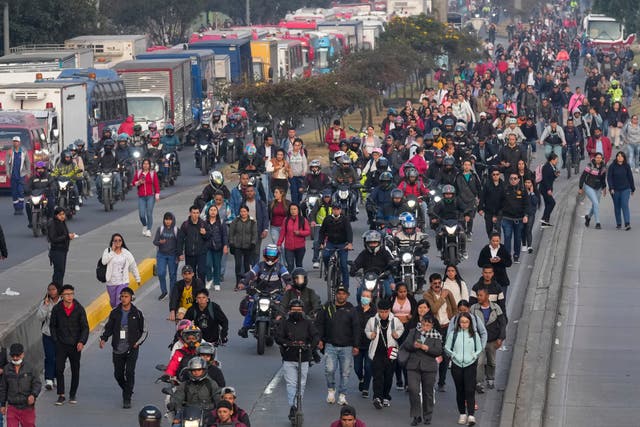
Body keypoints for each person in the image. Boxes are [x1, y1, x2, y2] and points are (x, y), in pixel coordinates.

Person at [99, 287, 147, 408]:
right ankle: (127, 389)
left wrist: (137, 343)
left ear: (131, 298)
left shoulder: (137, 313)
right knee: (118, 374)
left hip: (132, 348)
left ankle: (127, 399)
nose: (124, 298)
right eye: (122, 296)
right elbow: (108, 328)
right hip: (117, 348)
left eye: (126, 296)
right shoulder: (115, 313)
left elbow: (144, 331)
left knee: (130, 372)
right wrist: (103, 339)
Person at [275, 298, 320, 421]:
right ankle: (293, 406)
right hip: (289, 357)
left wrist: (310, 345)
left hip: (304, 357)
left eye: (299, 310)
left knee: (301, 383)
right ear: (289, 310)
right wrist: (288, 343)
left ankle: (297, 404)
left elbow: (315, 335)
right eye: (294, 310)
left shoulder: (308, 323)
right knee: (291, 384)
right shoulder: (284, 323)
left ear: (303, 310)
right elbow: (278, 337)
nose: (296, 312)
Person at [316, 286, 360, 406]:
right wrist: (319, 339)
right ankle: (331, 390)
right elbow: (319, 323)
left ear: (347, 295)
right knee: (329, 370)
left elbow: (356, 327)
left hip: (347, 346)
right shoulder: (327, 307)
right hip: (330, 345)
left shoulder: (351, 309)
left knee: (345, 372)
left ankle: (342, 395)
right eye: (339, 293)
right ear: (336, 294)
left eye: (343, 293)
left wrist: (356, 345)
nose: (341, 296)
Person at [237, 245, 292, 337]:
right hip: (259, 292)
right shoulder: (259, 265)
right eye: (268, 255)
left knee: (284, 306)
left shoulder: (280, 267)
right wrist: (243, 282)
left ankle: (284, 328)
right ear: (265, 255)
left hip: (275, 293)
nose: (270, 258)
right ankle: (245, 328)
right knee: (251, 304)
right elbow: (251, 274)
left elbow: (287, 277)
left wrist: (289, 285)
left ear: (277, 256)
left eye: (272, 256)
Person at [49, 284, 89, 406]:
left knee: (75, 369)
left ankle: (72, 394)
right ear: (62, 296)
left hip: (75, 344)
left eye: (71, 294)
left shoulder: (79, 308)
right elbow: (52, 326)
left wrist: (81, 341)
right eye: (67, 294)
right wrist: (56, 340)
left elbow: (85, 328)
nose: (70, 296)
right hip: (61, 344)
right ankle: (61, 395)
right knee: (59, 369)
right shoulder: (57, 309)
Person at [402, 313, 442, 426]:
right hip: (413, 365)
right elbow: (406, 345)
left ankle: (428, 415)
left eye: (428, 325)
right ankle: (416, 416)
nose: (425, 327)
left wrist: (427, 348)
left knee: (427, 392)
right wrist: (414, 345)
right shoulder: (414, 331)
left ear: (432, 325)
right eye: (423, 324)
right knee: (413, 390)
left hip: (429, 367)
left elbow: (438, 351)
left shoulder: (436, 335)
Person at [365, 298, 404, 409]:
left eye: (385, 312)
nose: (383, 314)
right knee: (377, 376)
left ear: (389, 310)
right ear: (378, 310)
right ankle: (377, 397)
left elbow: (401, 329)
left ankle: (386, 396)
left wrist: (397, 334)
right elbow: (367, 330)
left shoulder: (395, 321)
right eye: (381, 312)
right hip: (377, 352)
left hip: (391, 352)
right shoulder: (373, 320)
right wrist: (370, 335)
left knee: (388, 376)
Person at [444, 312, 483, 426]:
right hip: (456, 365)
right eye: (462, 322)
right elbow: (447, 347)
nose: (464, 324)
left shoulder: (474, 335)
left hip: (470, 365)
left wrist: (474, 356)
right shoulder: (453, 334)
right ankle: (462, 414)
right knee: (460, 390)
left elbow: (479, 349)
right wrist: (453, 355)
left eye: (466, 322)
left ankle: (471, 415)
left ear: (470, 323)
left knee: (470, 390)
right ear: (458, 323)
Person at [423, 273, 458, 392]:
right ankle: (429, 381)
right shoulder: (427, 295)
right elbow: (433, 309)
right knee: (431, 355)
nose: (437, 285)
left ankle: (441, 382)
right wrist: (442, 298)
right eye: (435, 284)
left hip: (447, 327)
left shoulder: (447, 292)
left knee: (445, 355)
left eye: (439, 283)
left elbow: (454, 308)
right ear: (431, 284)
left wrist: (452, 320)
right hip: (435, 328)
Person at [470, 288, 507, 394]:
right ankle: (479, 382)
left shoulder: (495, 308)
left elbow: (502, 324)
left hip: (492, 340)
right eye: (478, 295)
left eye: (480, 295)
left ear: (487, 296)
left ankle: (490, 379)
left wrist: (500, 338)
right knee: (479, 362)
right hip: (479, 341)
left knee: (492, 361)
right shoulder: (473, 308)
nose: (478, 297)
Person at [0, 343, 41, 427]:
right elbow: (3, 388)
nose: (15, 358)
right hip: (12, 407)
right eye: (13, 356)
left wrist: (33, 395)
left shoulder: (30, 368)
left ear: (22, 354)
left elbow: (37, 383)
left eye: (17, 356)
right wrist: (3, 405)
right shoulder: (7, 369)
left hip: (27, 407)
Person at [171, 357, 220, 426]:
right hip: (188, 414)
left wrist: (219, 408)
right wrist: (173, 404)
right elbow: (178, 397)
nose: (196, 372)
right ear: (190, 371)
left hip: (208, 415)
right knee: (175, 425)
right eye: (194, 370)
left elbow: (218, 398)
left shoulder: (211, 384)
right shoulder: (185, 384)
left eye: (199, 370)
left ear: (204, 370)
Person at [350, 230, 395, 300]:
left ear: (379, 243)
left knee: (389, 293)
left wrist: (391, 266)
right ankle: (360, 309)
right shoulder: (364, 253)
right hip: (367, 278)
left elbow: (391, 261)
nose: (373, 245)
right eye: (370, 243)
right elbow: (357, 263)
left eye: (375, 243)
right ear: (366, 243)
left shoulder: (384, 252)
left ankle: (388, 308)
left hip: (383, 277)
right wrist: (353, 268)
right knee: (359, 294)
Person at [101, 233, 141, 309]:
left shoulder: (126, 253)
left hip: (123, 282)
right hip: (111, 282)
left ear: (122, 242)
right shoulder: (108, 251)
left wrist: (137, 278)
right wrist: (112, 251)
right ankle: (117, 314)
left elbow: (133, 265)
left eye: (119, 240)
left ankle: (120, 319)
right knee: (113, 303)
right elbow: (104, 261)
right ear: (112, 242)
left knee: (119, 302)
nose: (118, 242)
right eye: (115, 241)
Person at [320, 204, 354, 289]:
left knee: (343, 264)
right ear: (332, 210)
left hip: (342, 243)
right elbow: (322, 232)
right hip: (330, 242)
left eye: (338, 209)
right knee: (325, 255)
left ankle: (346, 287)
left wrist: (349, 243)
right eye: (334, 209)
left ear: (340, 210)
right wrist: (321, 243)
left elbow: (349, 231)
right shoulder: (327, 219)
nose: (336, 211)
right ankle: (328, 271)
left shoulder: (345, 219)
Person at [36, 282, 60, 391]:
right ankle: (49, 379)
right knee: (50, 357)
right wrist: (45, 306)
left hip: (60, 336)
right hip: (48, 334)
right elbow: (40, 317)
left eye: (53, 289)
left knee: (58, 358)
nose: (51, 292)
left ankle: (55, 376)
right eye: (49, 290)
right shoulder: (45, 303)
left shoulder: (63, 302)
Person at [354, 288, 376, 398]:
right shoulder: (355, 310)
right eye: (364, 296)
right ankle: (361, 378)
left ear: (371, 299)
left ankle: (366, 388)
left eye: (368, 296)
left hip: (370, 344)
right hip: (357, 344)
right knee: (357, 368)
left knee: (368, 366)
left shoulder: (374, 312)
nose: (365, 298)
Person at [178, 205, 210, 282]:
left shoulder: (203, 224)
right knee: (191, 273)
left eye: (197, 213)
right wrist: (180, 253)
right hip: (189, 253)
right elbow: (180, 239)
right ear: (190, 213)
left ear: (199, 213)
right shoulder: (185, 225)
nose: (195, 215)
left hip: (201, 253)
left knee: (202, 272)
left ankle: (201, 290)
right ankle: (193, 290)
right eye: (193, 213)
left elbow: (209, 237)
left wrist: (205, 233)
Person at [229, 206, 258, 286]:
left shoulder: (252, 222)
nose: (243, 213)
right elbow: (231, 233)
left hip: (248, 246)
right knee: (238, 265)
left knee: (247, 265)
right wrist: (231, 243)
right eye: (241, 211)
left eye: (245, 211)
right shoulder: (235, 221)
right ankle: (238, 282)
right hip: (237, 246)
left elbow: (254, 234)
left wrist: (253, 243)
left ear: (247, 212)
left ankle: (246, 282)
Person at [277, 203, 310, 271]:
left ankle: (299, 280)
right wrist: (279, 244)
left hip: (300, 247)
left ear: (298, 210)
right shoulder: (286, 220)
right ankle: (289, 280)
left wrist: (300, 233)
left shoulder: (303, 220)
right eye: (291, 209)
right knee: (290, 265)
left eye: (295, 209)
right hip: (288, 247)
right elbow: (282, 233)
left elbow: (308, 232)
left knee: (299, 265)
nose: (293, 211)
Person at [153, 212, 179, 300]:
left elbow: (179, 243)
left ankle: (172, 293)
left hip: (173, 255)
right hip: (161, 255)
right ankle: (164, 292)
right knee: (161, 273)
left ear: (173, 220)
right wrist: (159, 242)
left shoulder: (176, 230)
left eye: (170, 219)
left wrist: (179, 255)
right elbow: (155, 241)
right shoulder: (160, 229)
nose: (168, 221)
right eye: (166, 219)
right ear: (164, 220)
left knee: (173, 275)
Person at [47, 207, 75, 286]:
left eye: (63, 214)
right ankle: (55, 291)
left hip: (63, 250)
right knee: (58, 272)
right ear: (56, 215)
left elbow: (63, 235)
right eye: (60, 215)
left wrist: (69, 237)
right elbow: (53, 238)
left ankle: (58, 289)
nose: (62, 216)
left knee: (61, 272)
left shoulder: (61, 222)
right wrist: (67, 237)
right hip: (57, 251)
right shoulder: (53, 224)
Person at [607, 151, 635, 230]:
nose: (620, 157)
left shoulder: (626, 166)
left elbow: (630, 177)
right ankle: (619, 223)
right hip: (615, 190)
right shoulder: (612, 166)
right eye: (618, 156)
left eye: (621, 156)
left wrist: (632, 188)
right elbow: (609, 178)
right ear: (616, 157)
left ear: (624, 158)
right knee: (617, 207)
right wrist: (611, 188)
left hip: (625, 189)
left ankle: (627, 223)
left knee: (624, 205)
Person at [579, 153, 607, 230]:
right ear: (594, 158)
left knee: (595, 205)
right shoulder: (590, 165)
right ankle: (598, 222)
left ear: (602, 159)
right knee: (595, 203)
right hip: (589, 186)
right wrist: (580, 187)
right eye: (597, 157)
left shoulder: (603, 167)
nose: (598, 159)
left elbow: (603, 179)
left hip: (598, 188)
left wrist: (604, 188)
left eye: (600, 158)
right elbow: (583, 176)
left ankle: (588, 217)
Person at [133, 159, 160, 237]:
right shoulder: (138, 173)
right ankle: (144, 225)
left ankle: (148, 229)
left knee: (149, 213)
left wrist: (157, 194)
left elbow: (156, 184)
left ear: (149, 165)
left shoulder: (152, 173)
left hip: (150, 196)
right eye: (144, 164)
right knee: (141, 214)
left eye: (147, 164)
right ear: (142, 165)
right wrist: (139, 182)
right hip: (141, 197)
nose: (145, 165)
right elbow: (133, 183)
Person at [204, 204, 229, 291]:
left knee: (217, 265)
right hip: (207, 247)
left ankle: (217, 283)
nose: (213, 212)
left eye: (215, 210)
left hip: (218, 246)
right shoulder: (204, 222)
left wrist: (225, 245)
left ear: (217, 212)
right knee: (207, 264)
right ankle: (209, 279)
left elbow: (225, 235)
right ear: (208, 211)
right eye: (211, 210)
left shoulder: (221, 222)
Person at [6, 136, 31, 215]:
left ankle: (20, 208)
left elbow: (27, 162)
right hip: (13, 175)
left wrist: (28, 172)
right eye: (14, 141)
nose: (15, 142)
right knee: (14, 192)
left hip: (21, 175)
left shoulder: (24, 151)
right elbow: (7, 163)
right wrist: (7, 173)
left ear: (19, 143)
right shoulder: (10, 151)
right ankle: (16, 208)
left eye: (16, 141)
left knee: (20, 191)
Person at [478, 167, 504, 238]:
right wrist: (480, 208)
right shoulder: (487, 185)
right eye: (494, 174)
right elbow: (482, 197)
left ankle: (497, 244)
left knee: (497, 228)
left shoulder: (503, 185)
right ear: (491, 175)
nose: (495, 176)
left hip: (499, 210)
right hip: (488, 210)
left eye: (497, 174)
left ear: (499, 175)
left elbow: (505, 199)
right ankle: (492, 243)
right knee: (489, 229)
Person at [539, 153, 560, 228]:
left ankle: (545, 222)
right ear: (552, 160)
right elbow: (545, 179)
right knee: (552, 203)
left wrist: (555, 175)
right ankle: (544, 218)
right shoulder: (546, 167)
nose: (557, 161)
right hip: (545, 189)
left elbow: (551, 177)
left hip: (547, 188)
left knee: (548, 204)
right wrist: (548, 189)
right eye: (556, 160)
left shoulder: (552, 166)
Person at [288, 138, 308, 205]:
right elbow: (287, 164)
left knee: (300, 192)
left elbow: (305, 164)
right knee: (294, 191)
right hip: (292, 176)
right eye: (295, 145)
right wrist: (289, 172)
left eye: (298, 145)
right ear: (293, 145)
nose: (297, 147)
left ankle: (298, 202)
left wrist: (304, 172)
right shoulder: (289, 153)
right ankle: (295, 205)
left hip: (300, 176)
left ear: (300, 146)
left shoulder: (302, 153)